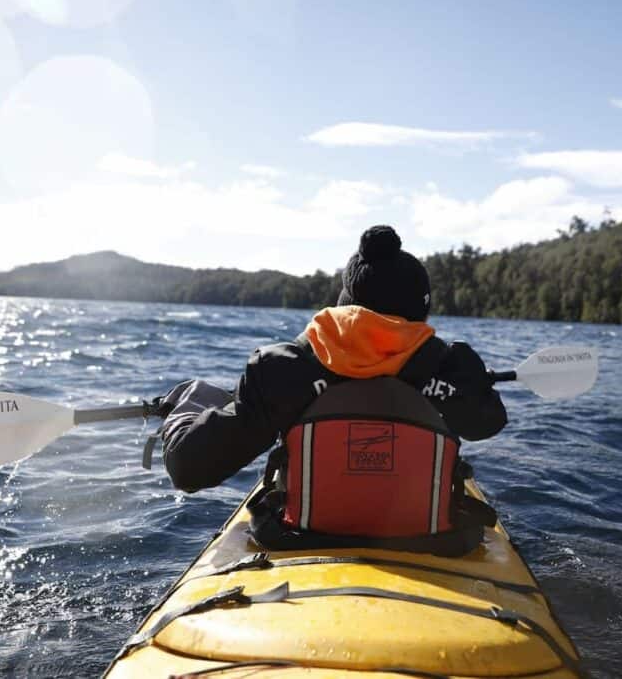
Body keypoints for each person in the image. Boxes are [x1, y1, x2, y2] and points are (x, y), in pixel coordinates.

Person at [159, 225, 506, 553]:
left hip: (298, 538)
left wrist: (184, 408)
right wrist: (466, 379)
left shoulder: (280, 371)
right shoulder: (452, 369)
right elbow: (487, 422)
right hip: (431, 544)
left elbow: (188, 469)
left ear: (345, 306)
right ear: (421, 311)